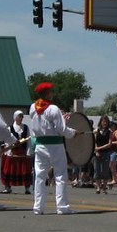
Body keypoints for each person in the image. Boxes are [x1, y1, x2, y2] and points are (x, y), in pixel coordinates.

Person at [29, 81, 75, 215]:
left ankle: (38, 207)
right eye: (51, 92)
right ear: (48, 93)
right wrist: (73, 133)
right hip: (55, 144)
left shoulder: (32, 108)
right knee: (60, 175)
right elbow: (61, 129)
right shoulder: (53, 109)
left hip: (40, 144)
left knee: (40, 176)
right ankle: (62, 206)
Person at [1, 110, 33, 195]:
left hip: (23, 153)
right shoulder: (10, 128)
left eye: (22, 116)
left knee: (25, 170)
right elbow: (7, 141)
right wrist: (8, 151)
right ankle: (7, 187)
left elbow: (28, 140)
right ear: (15, 117)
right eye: (20, 116)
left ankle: (27, 188)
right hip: (13, 152)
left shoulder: (25, 127)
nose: (21, 118)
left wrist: (28, 151)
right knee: (9, 170)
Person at [92, 115, 114, 195]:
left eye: (106, 122)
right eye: (103, 121)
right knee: (97, 170)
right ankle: (98, 187)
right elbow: (94, 141)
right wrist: (96, 150)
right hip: (97, 153)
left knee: (105, 170)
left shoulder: (109, 132)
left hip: (106, 152)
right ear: (100, 122)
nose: (104, 123)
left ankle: (104, 188)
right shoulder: (96, 130)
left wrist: (99, 148)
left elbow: (109, 144)